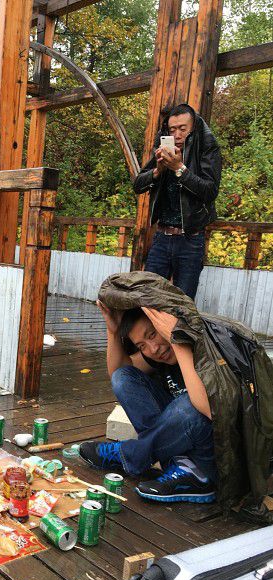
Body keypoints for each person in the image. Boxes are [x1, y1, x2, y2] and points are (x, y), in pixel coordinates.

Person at [80, 301, 216, 503]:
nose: (153, 349)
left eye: (152, 334)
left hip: (209, 455)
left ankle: (136, 456)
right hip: (180, 442)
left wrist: (176, 338)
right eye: (141, 345)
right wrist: (113, 332)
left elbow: (210, 409)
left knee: (190, 405)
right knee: (123, 378)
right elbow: (119, 373)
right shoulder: (157, 354)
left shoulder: (204, 349)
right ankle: (172, 462)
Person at [133, 103, 222, 300]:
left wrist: (179, 168)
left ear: (193, 128)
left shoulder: (207, 148)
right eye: (172, 130)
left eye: (183, 129)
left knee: (182, 304)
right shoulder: (164, 151)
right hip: (161, 238)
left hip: (190, 239)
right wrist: (158, 171)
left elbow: (209, 191)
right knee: (148, 299)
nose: (177, 135)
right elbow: (138, 185)